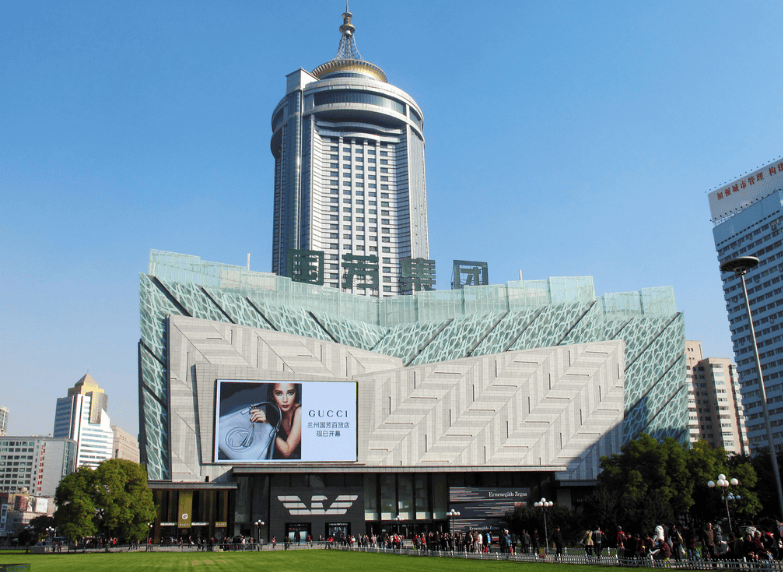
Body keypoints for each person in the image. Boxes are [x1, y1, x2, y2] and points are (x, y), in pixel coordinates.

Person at [250, 383, 302, 459]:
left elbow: (287, 452)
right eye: (279, 393)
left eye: (290, 393)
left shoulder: (300, 412)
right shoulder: (274, 411)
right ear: (272, 395)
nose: (285, 400)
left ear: (296, 393)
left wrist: (267, 425)